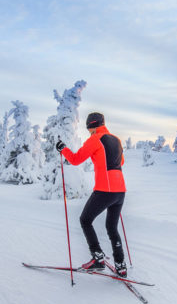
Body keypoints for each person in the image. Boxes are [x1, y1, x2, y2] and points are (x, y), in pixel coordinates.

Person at [55, 112, 128, 277]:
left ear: (92, 127)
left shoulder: (95, 139)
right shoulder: (116, 139)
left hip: (105, 189)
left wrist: (63, 149)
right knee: (112, 227)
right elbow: (121, 162)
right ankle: (121, 265)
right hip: (120, 191)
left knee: (85, 220)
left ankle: (98, 258)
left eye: (89, 130)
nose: (89, 132)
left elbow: (75, 159)